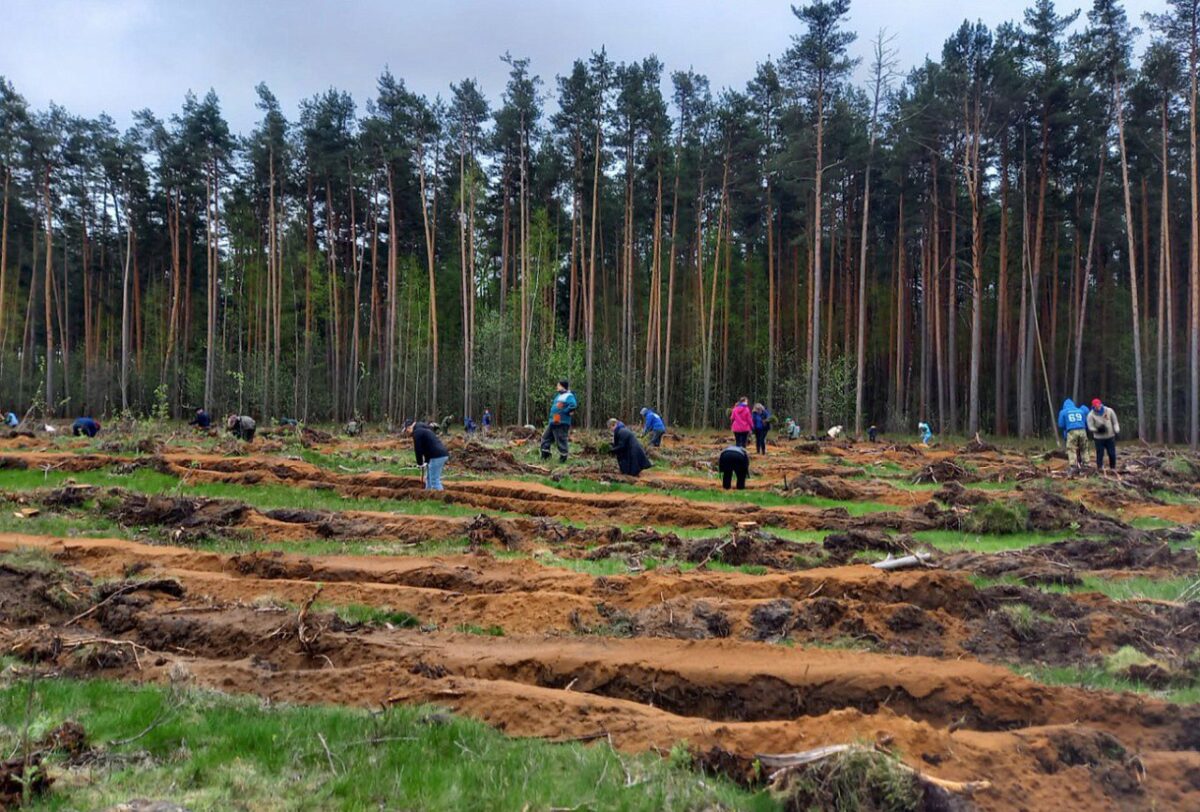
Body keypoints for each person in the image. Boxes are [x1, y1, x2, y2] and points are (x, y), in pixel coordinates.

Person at [540, 380, 578, 463]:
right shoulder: (558, 395)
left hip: (561, 422)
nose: (557, 387)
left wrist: (565, 412)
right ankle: (545, 455)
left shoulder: (569, 395)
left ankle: (563, 458)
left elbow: (573, 405)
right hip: (553, 421)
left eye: (558, 385)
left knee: (560, 439)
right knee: (545, 437)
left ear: (562, 386)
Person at [408, 419, 450, 491]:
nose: (407, 432)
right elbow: (427, 446)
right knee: (429, 478)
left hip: (437, 456)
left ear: (409, 427)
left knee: (434, 480)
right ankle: (427, 495)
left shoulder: (417, 432)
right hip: (439, 454)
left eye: (406, 430)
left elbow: (418, 449)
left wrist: (420, 463)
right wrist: (426, 461)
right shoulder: (423, 429)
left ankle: (441, 498)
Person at [1086, 398, 1120, 472]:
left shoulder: (1109, 411)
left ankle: (1113, 467)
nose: (1098, 407)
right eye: (1096, 406)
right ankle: (1100, 468)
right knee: (1100, 454)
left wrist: (1117, 430)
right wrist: (1097, 430)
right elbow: (1090, 426)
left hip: (1110, 436)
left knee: (1112, 453)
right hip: (1099, 438)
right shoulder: (1091, 415)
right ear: (1093, 407)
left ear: (1101, 405)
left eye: (1099, 406)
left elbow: (1115, 422)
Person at [1056, 398, 1088, 468]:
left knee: (1071, 448)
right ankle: (1086, 464)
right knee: (1084, 448)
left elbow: (1061, 424)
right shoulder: (1080, 411)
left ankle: (1073, 466)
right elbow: (1085, 422)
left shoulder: (1063, 412)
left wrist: (1067, 428)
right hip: (1082, 430)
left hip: (1072, 431)